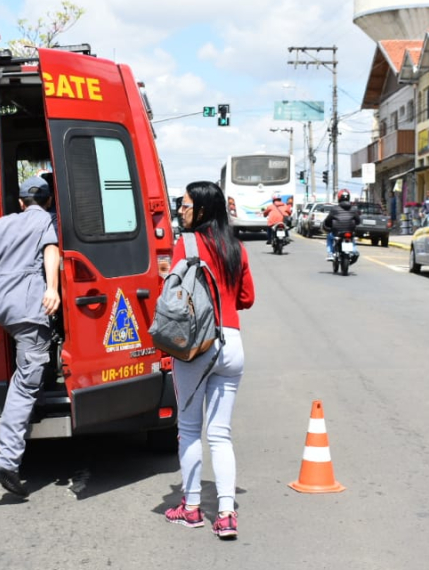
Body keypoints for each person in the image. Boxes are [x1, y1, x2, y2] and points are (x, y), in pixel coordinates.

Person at [163, 181, 254, 540]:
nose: (181, 210)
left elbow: (171, 299)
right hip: (231, 344)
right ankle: (227, 514)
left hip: (196, 345)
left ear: (201, 210)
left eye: (185, 205)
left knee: (189, 430)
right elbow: (247, 298)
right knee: (220, 434)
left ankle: (191, 508)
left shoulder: (185, 245)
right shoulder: (236, 247)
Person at [0, 175, 61, 498]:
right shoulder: (47, 220)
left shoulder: (2, 223)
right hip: (27, 307)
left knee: (29, 364)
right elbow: (51, 250)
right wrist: (52, 288)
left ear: (22, 202)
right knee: (26, 381)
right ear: (49, 201)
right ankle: (6, 462)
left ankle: (36, 408)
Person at [322, 189, 361, 261]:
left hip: (337, 232)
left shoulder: (334, 209)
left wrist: (328, 226)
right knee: (352, 239)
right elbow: (358, 221)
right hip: (350, 232)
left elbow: (328, 220)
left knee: (329, 237)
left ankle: (330, 253)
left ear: (339, 198)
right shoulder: (354, 209)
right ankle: (354, 251)